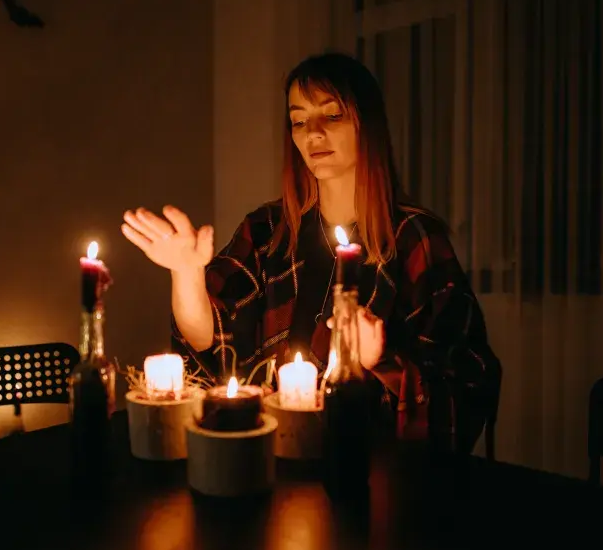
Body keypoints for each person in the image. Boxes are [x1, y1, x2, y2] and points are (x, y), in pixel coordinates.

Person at [121, 52, 501, 454]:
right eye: (299, 121)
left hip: (370, 470)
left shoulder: (415, 239)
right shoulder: (267, 230)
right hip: (272, 458)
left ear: (366, 124)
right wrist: (186, 275)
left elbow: (466, 382)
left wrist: (379, 358)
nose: (312, 134)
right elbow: (210, 341)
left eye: (332, 116)